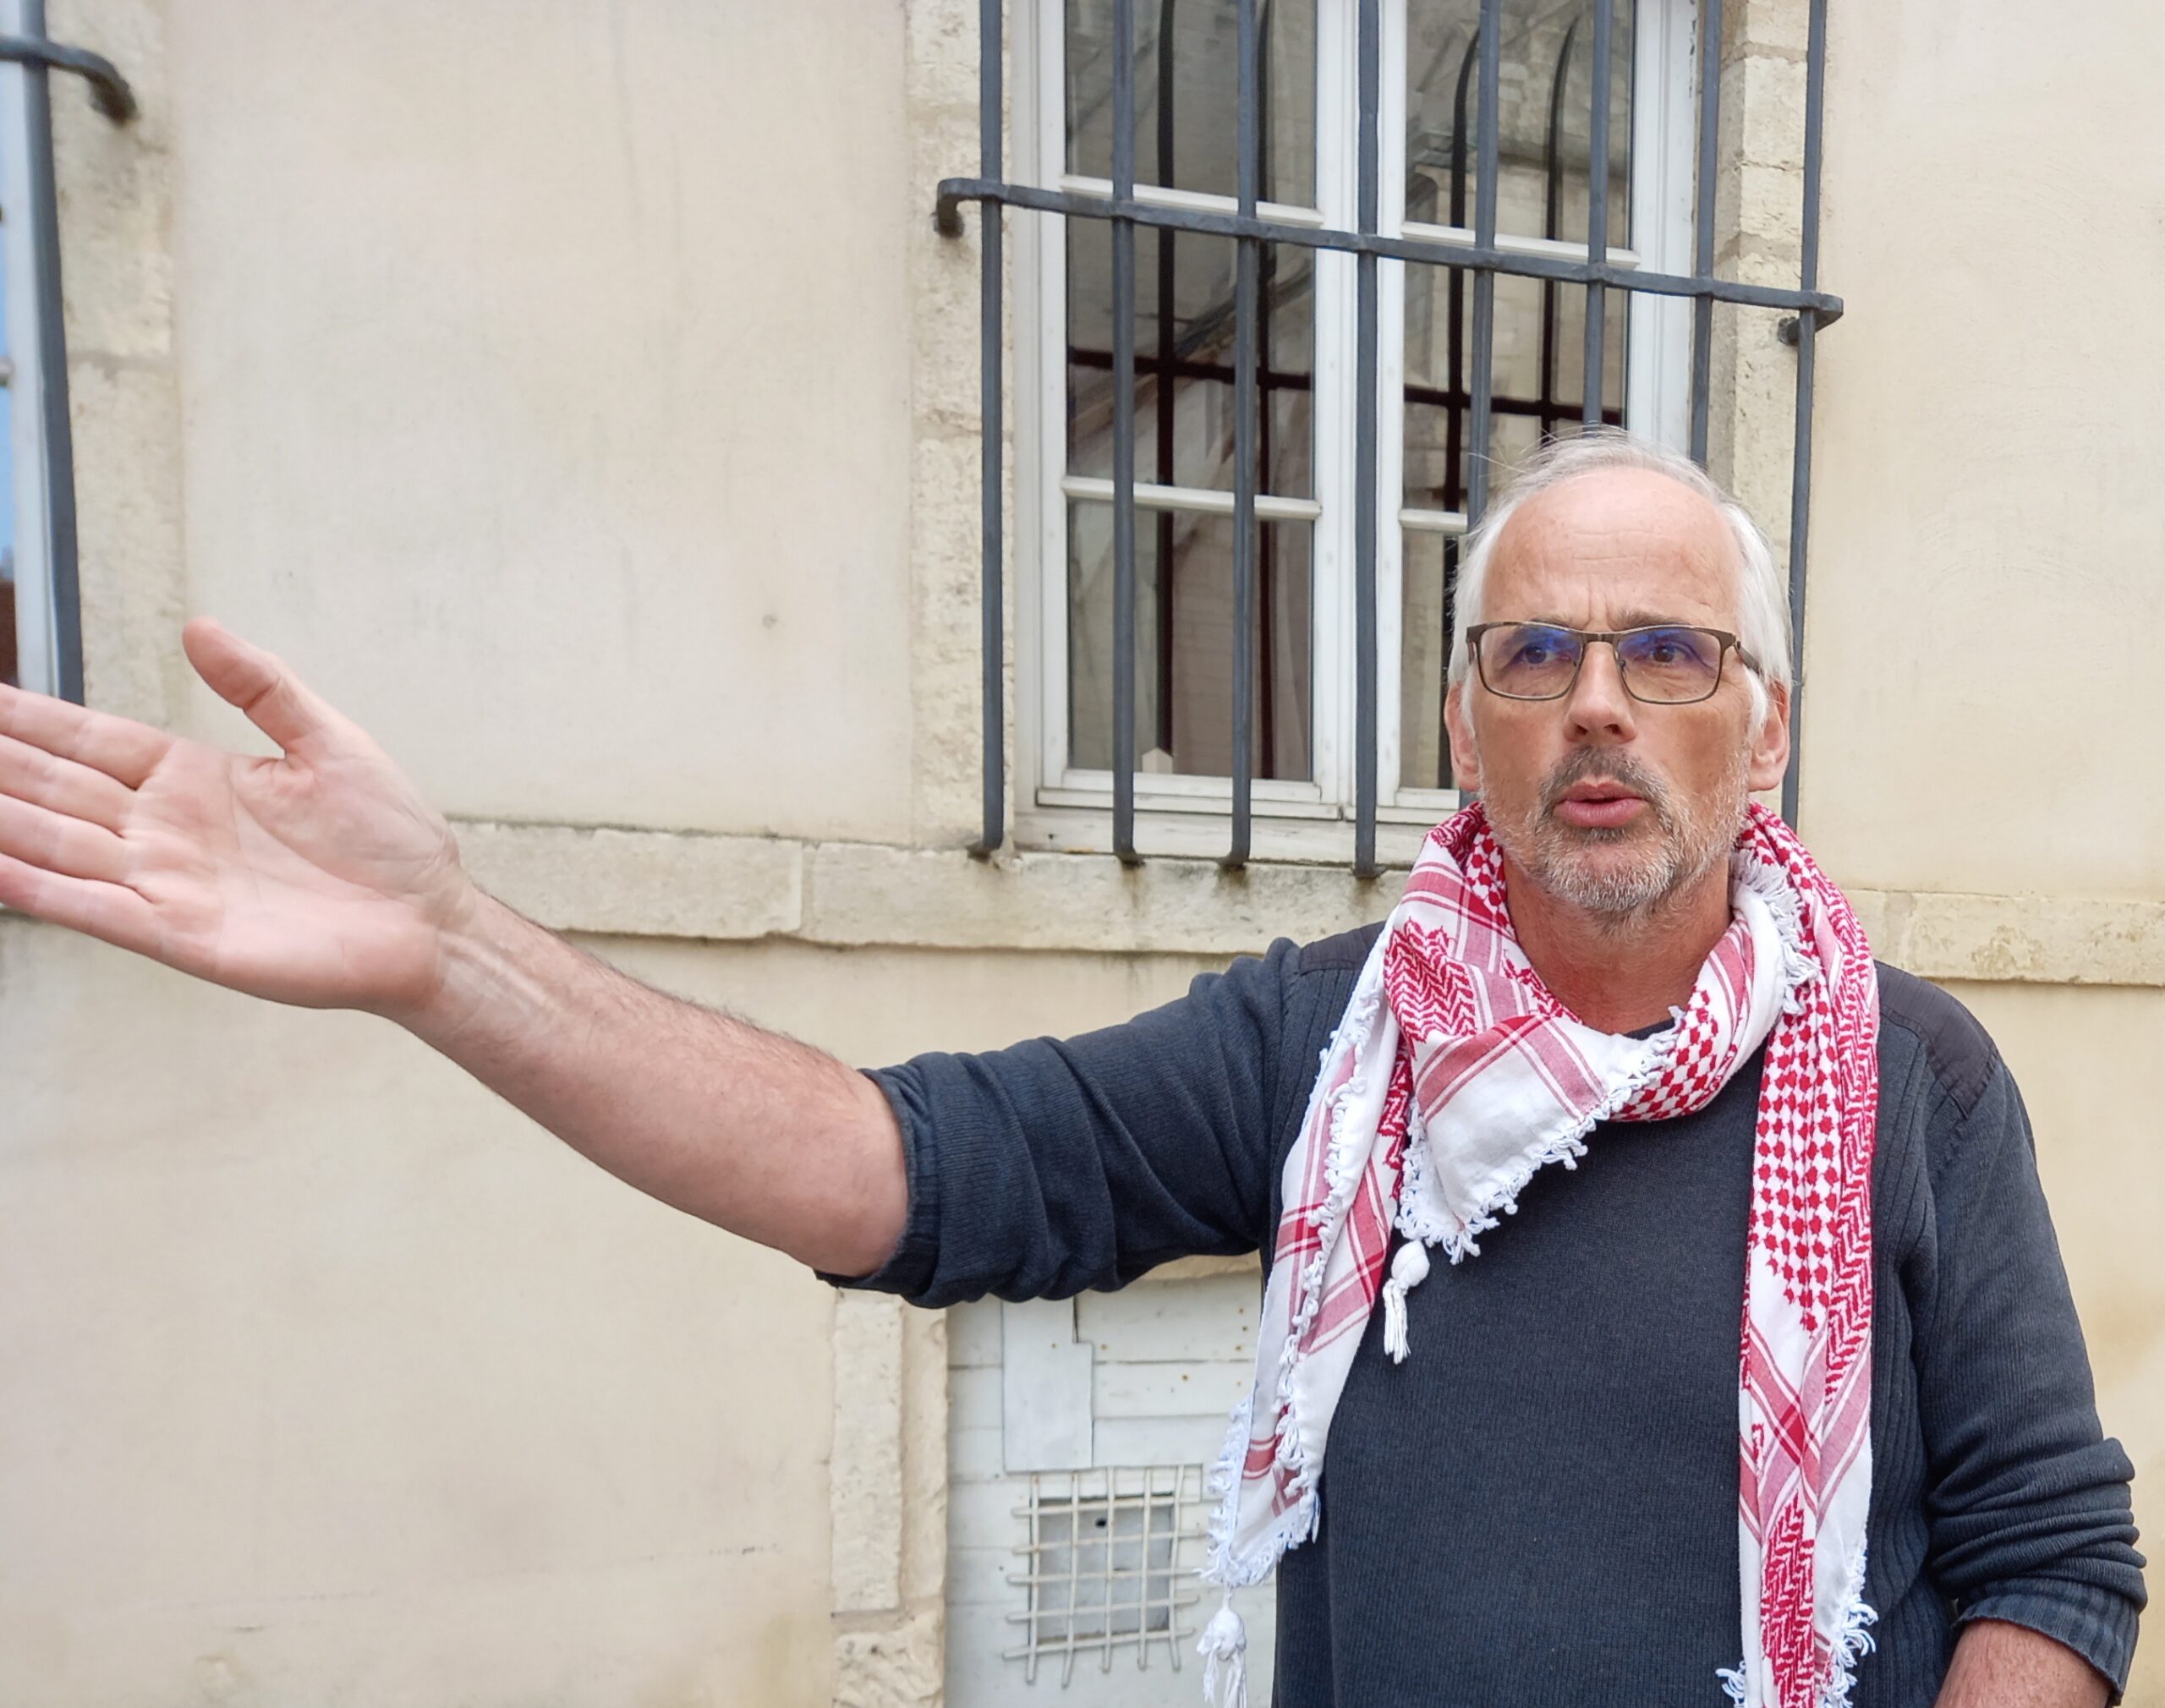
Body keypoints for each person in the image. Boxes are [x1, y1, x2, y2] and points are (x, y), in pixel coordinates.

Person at [0, 432, 2140, 1706]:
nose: (1598, 701)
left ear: (1759, 723)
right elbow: (900, 1166)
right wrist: (449, 954)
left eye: (1664, 649)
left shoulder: (1912, 1079)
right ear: (1462, 725)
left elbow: (2049, 1559)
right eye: (1534, 651)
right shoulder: (1324, 1044)